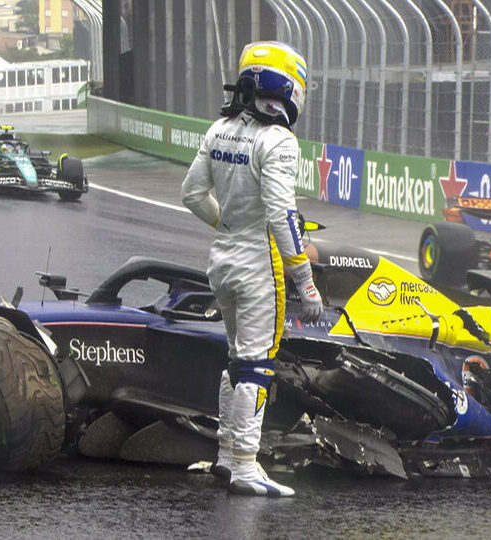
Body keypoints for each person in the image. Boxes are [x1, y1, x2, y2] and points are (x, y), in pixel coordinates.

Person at [181, 41, 322, 497]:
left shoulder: (218, 130)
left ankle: (226, 456)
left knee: (236, 359)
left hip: (220, 260)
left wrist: (229, 226)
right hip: (259, 264)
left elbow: (191, 195)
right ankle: (245, 464)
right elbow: (284, 217)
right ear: (286, 87)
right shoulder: (278, 140)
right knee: (257, 366)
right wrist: (306, 282)